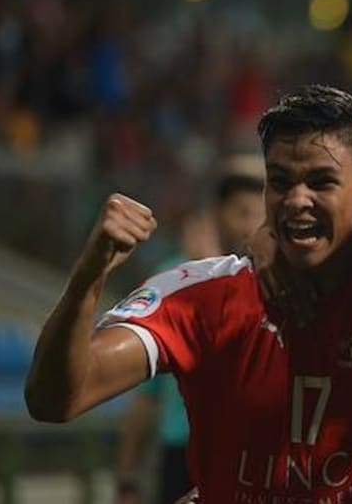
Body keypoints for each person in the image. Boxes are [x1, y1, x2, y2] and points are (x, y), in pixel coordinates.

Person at [25, 85, 352, 503]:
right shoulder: (202, 297)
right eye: (281, 182)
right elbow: (55, 401)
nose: (296, 200)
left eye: (321, 182)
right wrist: (89, 275)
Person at [116, 155, 266, 504]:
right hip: (181, 451)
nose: (250, 225)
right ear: (216, 213)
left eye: (258, 212)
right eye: (241, 212)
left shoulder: (277, 282)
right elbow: (145, 398)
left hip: (250, 452)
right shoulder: (173, 282)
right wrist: (127, 478)